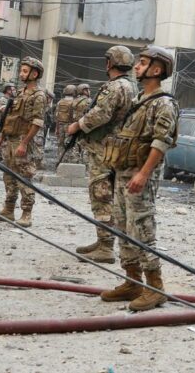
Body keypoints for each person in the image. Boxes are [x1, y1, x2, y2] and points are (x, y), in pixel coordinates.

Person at [98, 46, 179, 312]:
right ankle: (132, 281)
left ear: (157, 70)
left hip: (140, 176)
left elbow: (161, 141)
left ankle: (155, 288)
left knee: (142, 229)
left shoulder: (164, 103)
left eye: (142, 63)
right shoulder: (139, 100)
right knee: (123, 227)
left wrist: (144, 174)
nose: (137, 66)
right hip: (123, 172)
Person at [66, 48, 136, 263]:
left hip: (104, 148)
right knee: (108, 193)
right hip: (117, 147)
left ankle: (105, 247)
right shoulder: (131, 86)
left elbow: (101, 114)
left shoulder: (114, 87)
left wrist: (77, 125)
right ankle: (103, 240)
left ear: (110, 63)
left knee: (100, 193)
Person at [0, 57, 49, 228]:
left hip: (22, 140)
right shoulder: (20, 93)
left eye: (25, 71)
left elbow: (37, 122)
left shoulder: (39, 96)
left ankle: (26, 213)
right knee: (9, 176)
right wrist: (1, 136)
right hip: (10, 139)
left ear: (35, 74)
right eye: (21, 70)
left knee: (24, 177)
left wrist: (24, 143)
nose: (21, 74)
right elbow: (9, 117)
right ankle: (9, 209)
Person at [54, 85, 77, 161]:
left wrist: (56, 129)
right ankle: (67, 162)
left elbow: (56, 116)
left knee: (60, 144)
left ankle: (59, 161)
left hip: (60, 125)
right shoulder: (74, 102)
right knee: (69, 144)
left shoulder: (60, 102)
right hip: (69, 126)